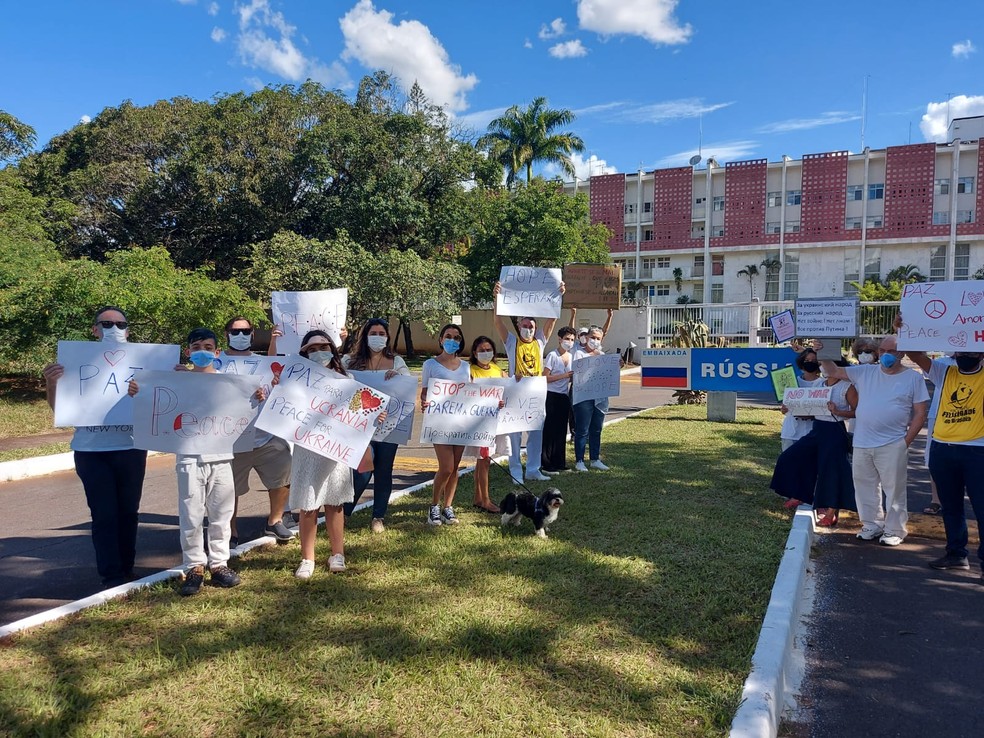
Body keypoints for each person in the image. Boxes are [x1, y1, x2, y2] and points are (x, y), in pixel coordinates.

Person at [128, 327, 248, 596]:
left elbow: (248, 408)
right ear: (188, 352)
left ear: (217, 352)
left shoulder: (230, 383)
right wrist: (138, 391)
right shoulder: (175, 381)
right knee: (191, 512)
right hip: (189, 457)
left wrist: (257, 398)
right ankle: (194, 566)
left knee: (221, 512)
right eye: (197, 348)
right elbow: (152, 402)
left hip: (221, 456)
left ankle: (219, 564)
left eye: (208, 347)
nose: (202, 352)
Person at [42, 306, 149, 588]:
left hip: (131, 447)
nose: (115, 329)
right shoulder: (74, 363)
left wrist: (174, 377)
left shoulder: (146, 361)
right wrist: (50, 383)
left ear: (129, 329)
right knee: (103, 514)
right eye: (107, 323)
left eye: (121, 324)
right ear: (94, 329)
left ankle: (127, 570)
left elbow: (162, 400)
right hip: (91, 452)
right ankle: (111, 576)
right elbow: (59, 411)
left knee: (129, 512)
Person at [820, 336, 929, 547]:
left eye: (892, 350)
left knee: (894, 489)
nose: (886, 354)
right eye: (883, 350)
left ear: (903, 353)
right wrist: (823, 351)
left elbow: (920, 413)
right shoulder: (865, 372)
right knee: (864, 486)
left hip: (893, 442)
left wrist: (905, 441)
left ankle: (895, 529)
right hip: (862, 442)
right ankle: (871, 524)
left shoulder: (912, 378)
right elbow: (833, 371)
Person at [290, 330, 373, 578]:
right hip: (307, 449)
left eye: (324, 347)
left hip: (336, 450)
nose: (319, 353)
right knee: (308, 504)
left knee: (335, 503)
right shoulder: (295, 380)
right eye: (312, 349)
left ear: (332, 350)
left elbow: (358, 415)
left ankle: (337, 554)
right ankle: (307, 558)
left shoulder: (347, 378)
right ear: (303, 353)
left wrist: (372, 417)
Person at [904, 346, 984, 575]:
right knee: (951, 507)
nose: (964, 357)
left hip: (978, 449)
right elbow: (914, 354)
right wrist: (904, 327)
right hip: (943, 447)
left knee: (981, 508)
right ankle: (956, 554)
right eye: (961, 352)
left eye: (971, 353)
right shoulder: (944, 372)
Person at [220, 317, 294, 547]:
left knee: (282, 478)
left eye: (246, 331)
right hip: (231, 441)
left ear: (252, 334)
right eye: (235, 331)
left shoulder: (264, 364)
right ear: (226, 334)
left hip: (267, 436)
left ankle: (275, 520)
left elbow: (279, 392)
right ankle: (230, 531)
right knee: (228, 489)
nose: (240, 335)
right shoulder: (216, 363)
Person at [772, 352, 858, 527]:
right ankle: (800, 493)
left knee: (831, 470)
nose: (822, 368)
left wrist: (838, 412)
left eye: (825, 365)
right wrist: (790, 408)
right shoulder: (819, 384)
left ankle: (831, 510)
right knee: (791, 457)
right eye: (821, 365)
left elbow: (858, 411)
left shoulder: (847, 387)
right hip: (817, 428)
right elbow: (810, 407)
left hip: (834, 430)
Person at [341, 318, 410, 533]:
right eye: (374, 333)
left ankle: (378, 517)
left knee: (384, 471)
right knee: (362, 470)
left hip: (388, 428)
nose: (378, 337)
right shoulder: (350, 361)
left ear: (388, 338)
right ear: (365, 336)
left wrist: (398, 376)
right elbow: (335, 377)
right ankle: (344, 512)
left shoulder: (396, 362)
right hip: (360, 427)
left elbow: (406, 388)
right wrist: (340, 342)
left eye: (382, 333)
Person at [491, 281, 565, 482]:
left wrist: (558, 296)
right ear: (519, 326)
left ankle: (533, 469)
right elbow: (498, 321)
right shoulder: (512, 342)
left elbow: (551, 320)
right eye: (524, 326)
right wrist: (497, 298)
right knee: (514, 435)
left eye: (531, 326)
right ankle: (516, 472)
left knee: (535, 433)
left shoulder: (540, 341)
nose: (528, 329)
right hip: (515, 392)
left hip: (535, 392)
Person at [420, 324, 472, 526]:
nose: (452, 340)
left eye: (456, 337)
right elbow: (425, 393)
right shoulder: (430, 365)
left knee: (455, 467)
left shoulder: (466, 367)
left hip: (460, 422)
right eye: (448, 336)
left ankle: (447, 507)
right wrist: (424, 402)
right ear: (441, 339)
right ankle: (434, 506)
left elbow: (471, 394)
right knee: (446, 467)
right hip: (439, 422)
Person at [776, 349, 824, 509]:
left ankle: (806, 495)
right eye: (807, 360)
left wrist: (812, 414)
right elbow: (784, 403)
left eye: (814, 360)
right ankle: (793, 495)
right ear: (801, 362)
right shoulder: (791, 381)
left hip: (812, 429)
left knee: (809, 465)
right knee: (789, 461)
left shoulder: (823, 383)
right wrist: (783, 408)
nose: (810, 363)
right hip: (791, 428)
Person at [466, 336, 509, 513]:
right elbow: (468, 394)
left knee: (483, 462)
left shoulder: (498, 370)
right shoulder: (470, 371)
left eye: (488, 349)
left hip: (495, 421)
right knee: (483, 460)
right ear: (474, 353)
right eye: (481, 350)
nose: (485, 353)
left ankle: (479, 497)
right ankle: (485, 500)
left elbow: (509, 387)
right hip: (480, 422)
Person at [571, 320, 620, 472]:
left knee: (596, 429)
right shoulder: (579, 353)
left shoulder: (603, 356)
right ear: (587, 337)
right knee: (582, 430)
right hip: (583, 397)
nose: (595, 341)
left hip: (599, 397)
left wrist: (617, 365)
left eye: (598, 338)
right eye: (593, 337)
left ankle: (595, 459)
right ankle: (579, 460)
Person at [541, 326, 576, 473]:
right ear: (560, 339)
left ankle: (560, 462)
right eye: (567, 339)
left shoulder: (571, 356)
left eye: (572, 340)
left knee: (561, 431)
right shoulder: (552, 356)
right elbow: (544, 377)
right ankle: (547, 464)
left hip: (564, 396)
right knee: (550, 430)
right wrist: (564, 376)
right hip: (551, 395)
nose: (569, 342)